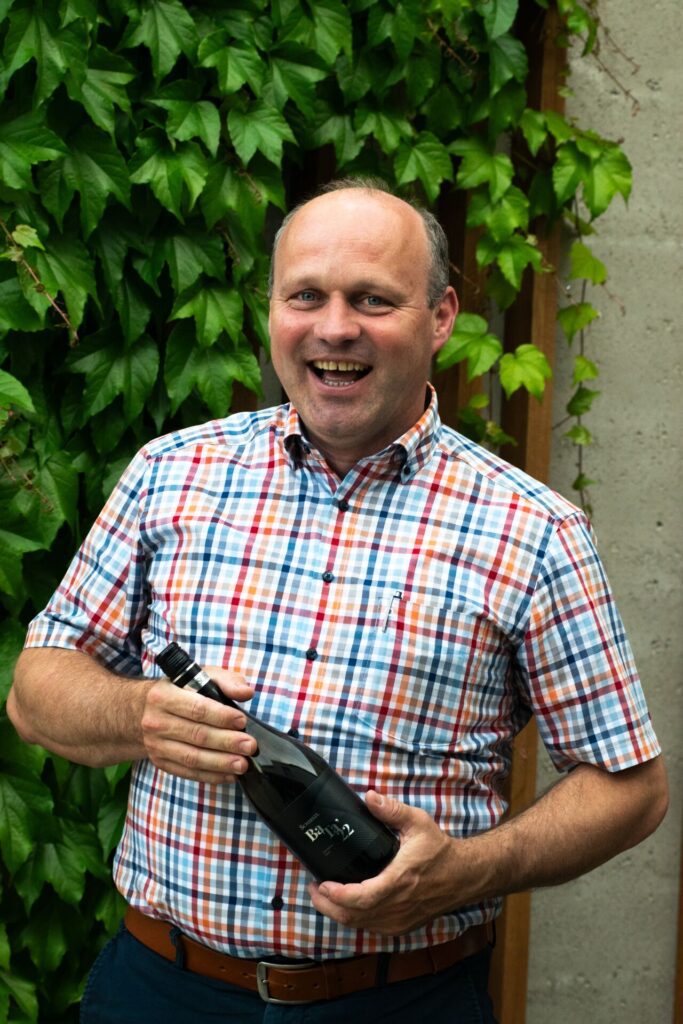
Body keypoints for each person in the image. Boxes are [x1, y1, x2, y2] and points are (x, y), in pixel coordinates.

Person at [7, 179, 667, 1024]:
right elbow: (35, 688)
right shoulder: (170, 475)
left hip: (401, 1001)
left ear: (439, 318)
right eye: (305, 295)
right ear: (272, 310)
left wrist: (468, 870)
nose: (333, 327)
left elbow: (628, 788)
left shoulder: (533, 530)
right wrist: (139, 714)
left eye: (372, 299)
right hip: (161, 989)